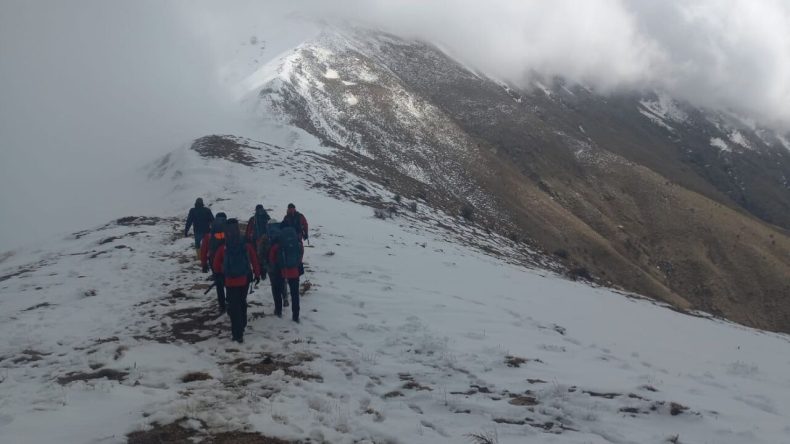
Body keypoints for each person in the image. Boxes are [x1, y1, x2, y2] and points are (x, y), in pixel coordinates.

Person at [212, 219, 261, 343]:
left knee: (234, 307)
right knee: (241, 301)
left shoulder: (224, 246)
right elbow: (254, 259)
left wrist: (220, 273)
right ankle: (243, 324)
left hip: (230, 281)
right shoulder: (245, 244)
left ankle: (237, 334)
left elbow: (216, 264)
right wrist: (257, 273)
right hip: (244, 279)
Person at [269, 225, 304, 322]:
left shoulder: (278, 244)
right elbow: (301, 253)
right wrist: (297, 263)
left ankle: (278, 311)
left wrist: (276, 265)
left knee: (277, 290)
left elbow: (272, 257)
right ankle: (295, 316)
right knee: (295, 294)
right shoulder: (297, 243)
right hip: (294, 272)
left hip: (282, 271)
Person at [200, 212, 227, 311]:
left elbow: (203, 251)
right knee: (228, 282)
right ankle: (230, 301)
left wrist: (204, 264)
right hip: (228, 262)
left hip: (214, 263)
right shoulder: (229, 233)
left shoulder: (209, 236)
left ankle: (222, 304)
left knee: (219, 284)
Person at [245, 204, 271, 270]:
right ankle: (266, 268)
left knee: (257, 256)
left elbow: (248, 231)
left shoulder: (253, 219)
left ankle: (259, 269)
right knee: (266, 254)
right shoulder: (267, 217)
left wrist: (247, 239)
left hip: (256, 240)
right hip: (267, 240)